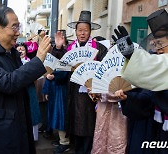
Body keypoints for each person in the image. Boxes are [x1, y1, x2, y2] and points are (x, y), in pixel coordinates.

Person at [0, 5, 51, 154]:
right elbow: (9, 82)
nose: (19, 32)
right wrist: (38, 59)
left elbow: (22, 79)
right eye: (14, 27)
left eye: (19, 26)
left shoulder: (12, 53)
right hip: (1, 131)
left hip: (20, 123)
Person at [112, 8, 168, 153]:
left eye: (162, 43)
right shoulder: (156, 64)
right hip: (154, 131)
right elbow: (147, 97)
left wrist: (132, 54)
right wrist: (128, 98)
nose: (159, 49)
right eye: (156, 44)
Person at [54, 11, 108, 154]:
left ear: (90, 31)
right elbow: (60, 67)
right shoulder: (70, 48)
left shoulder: (99, 48)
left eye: (85, 30)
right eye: (80, 30)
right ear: (76, 32)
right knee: (76, 126)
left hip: (92, 95)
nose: (82, 33)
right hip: (74, 93)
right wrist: (59, 48)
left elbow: (105, 69)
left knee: (90, 127)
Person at [15, 42, 41, 141]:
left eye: (23, 49)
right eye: (18, 49)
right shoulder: (13, 62)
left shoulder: (30, 62)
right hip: (18, 90)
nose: (21, 51)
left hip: (30, 90)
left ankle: (33, 137)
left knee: (32, 112)